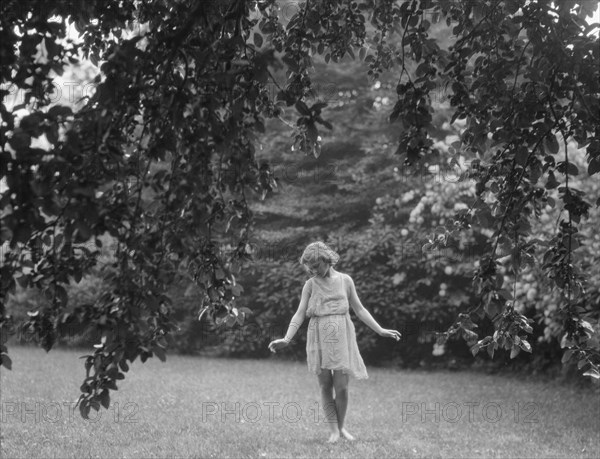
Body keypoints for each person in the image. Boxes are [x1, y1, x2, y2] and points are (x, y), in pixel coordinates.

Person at [268, 241, 402, 443]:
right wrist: (287, 338)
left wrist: (380, 330)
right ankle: (333, 431)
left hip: (341, 336)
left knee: (342, 387)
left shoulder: (346, 280)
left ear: (326, 259)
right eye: (310, 268)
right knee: (325, 385)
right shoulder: (310, 284)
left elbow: (360, 309)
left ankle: (341, 428)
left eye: (316, 266)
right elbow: (300, 313)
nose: (313, 271)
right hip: (318, 335)